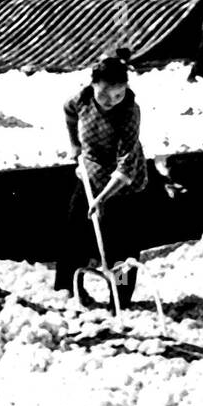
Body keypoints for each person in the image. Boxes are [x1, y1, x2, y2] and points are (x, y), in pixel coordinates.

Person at [55, 52, 149, 309]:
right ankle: (68, 287)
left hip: (123, 181)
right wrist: (74, 144)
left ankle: (119, 299)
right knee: (75, 228)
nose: (111, 101)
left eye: (118, 95)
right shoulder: (82, 98)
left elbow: (126, 164)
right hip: (91, 170)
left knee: (121, 242)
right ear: (93, 85)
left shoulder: (129, 112)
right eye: (105, 95)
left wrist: (101, 198)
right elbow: (68, 110)